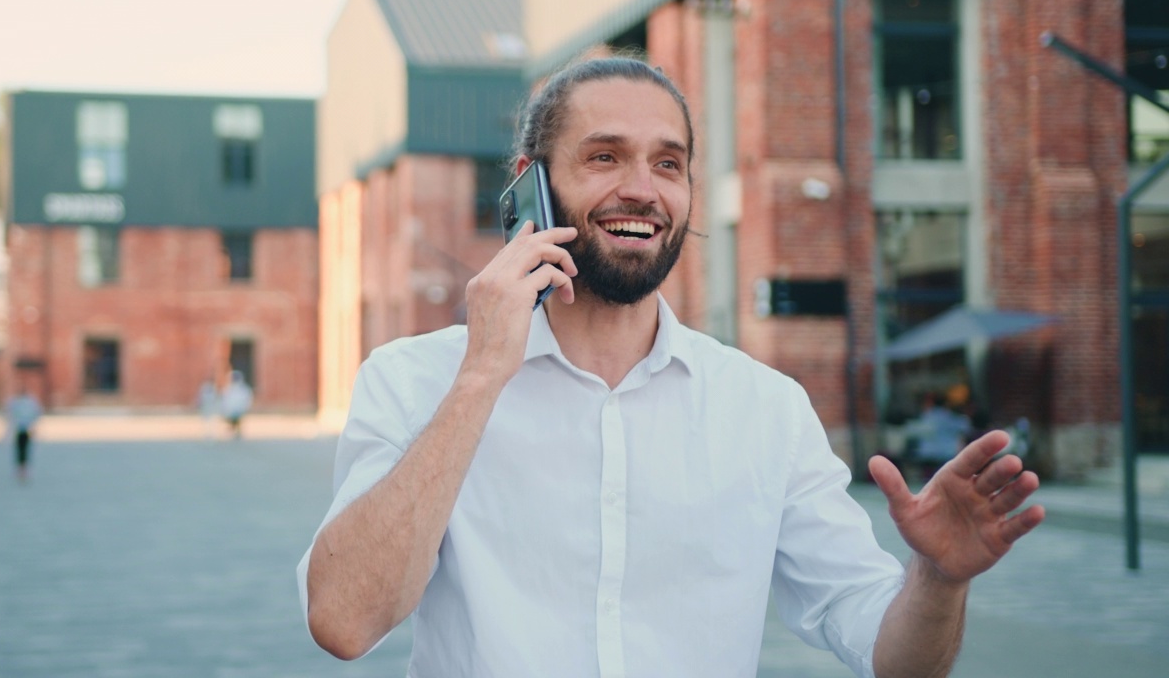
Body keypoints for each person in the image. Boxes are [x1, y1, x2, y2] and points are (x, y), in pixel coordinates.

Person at [297, 57, 1045, 678]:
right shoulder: (414, 380)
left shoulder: (765, 409)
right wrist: (484, 373)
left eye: (669, 164)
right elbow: (344, 620)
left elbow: (890, 653)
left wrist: (941, 580)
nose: (642, 189)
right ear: (530, 182)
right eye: (604, 156)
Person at [5, 382, 42, 483]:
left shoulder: (29, 402)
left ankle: (24, 469)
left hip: (26, 428)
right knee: (20, 449)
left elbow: (36, 413)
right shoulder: (16, 402)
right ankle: (21, 469)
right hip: (19, 428)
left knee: (25, 449)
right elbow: (10, 414)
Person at [219, 370, 253, 440]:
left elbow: (247, 398)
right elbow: (225, 399)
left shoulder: (243, 389)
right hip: (232, 409)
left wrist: (246, 407)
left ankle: (236, 431)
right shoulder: (229, 389)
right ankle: (234, 430)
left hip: (239, 409)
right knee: (233, 420)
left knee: (237, 421)